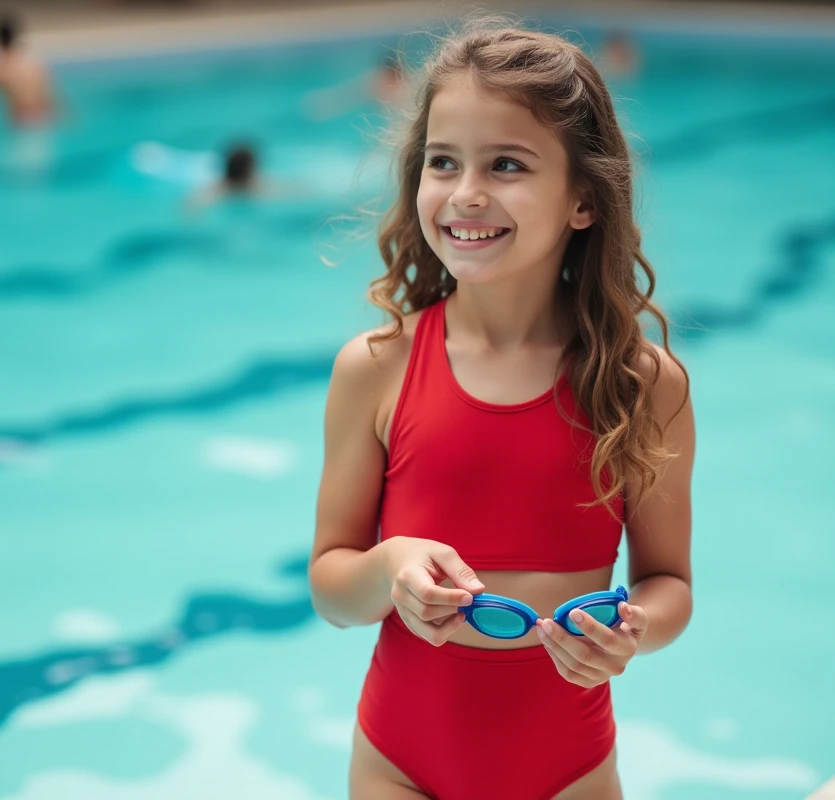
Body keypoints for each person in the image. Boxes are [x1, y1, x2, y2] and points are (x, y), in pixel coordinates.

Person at [308, 19, 694, 800]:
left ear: (583, 199)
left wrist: (636, 631)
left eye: (507, 164)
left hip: (570, 771)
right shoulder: (376, 370)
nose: (466, 193)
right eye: (442, 162)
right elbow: (330, 587)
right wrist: (390, 567)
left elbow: (669, 583)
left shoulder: (642, 383)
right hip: (398, 764)